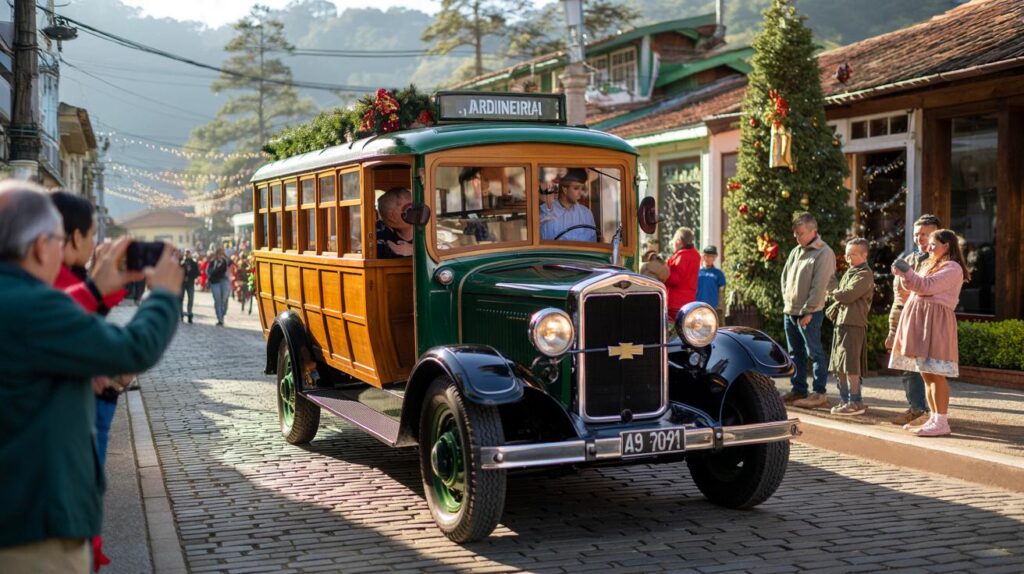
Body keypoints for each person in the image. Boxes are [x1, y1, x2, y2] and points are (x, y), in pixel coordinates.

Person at [0, 180, 181, 573]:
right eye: (57, 240)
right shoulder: (34, 305)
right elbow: (132, 349)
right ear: (40, 246)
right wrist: (163, 296)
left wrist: (95, 292)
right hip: (32, 530)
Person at [889, 229, 969, 437]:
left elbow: (926, 286)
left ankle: (941, 421)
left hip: (935, 323)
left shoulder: (953, 268)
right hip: (923, 321)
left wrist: (907, 271)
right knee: (926, 373)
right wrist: (904, 274)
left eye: (934, 244)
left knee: (936, 374)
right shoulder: (930, 264)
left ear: (946, 246)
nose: (929, 247)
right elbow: (912, 287)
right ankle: (934, 419)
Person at [886, 214, 941, 426]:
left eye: (925, 234)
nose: (920, 238)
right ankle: (916, 408)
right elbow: (898, 297)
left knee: (929, 368)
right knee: (907, 365)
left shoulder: (942, 262)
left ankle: (933, 414)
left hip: (928, 320)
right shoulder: (907, 260)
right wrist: (892, 329)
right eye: (917, 234)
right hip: (905, 318)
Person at [811, 238, 874, 414]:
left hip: (854, 324)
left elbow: (847, 295)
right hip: (842, 322)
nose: (848, 258)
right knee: (839, 364)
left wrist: (833, 291)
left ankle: (855, 402)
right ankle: (845, 400)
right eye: (847, 254)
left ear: (865, 255)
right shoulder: (851, 272)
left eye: (853, 254)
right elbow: (842, 293)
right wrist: (836, 291)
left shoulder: (864, 274)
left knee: (851, 364)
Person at [780, 212, 836, 407]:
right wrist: (787, 302)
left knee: (814, 353)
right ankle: (798, 389)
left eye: (800, 233)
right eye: (795, 233)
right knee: (795, 353)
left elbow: (820, 285)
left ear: (813, 231)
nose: (796, 237)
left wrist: (809, 310)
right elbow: (785, 278)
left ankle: (819, 392)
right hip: (791, 311)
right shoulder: (796, 251)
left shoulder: (824, 252)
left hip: (810, 313)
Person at [540, 168, 597, 242]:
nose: (580, 193)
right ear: (565, 189)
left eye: (582, 188)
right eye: (576, 188)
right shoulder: (546, 211)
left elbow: (592, 242)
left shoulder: (586, 214)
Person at [665, 227, 700, 320]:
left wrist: (662, 275)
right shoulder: (695, 255)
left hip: (675, 303)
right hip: (688, 301)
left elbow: (674, 280)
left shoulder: (682, 256)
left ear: (679, 241)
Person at [376, 187, 414, 258]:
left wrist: (414, 250)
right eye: (410, 208)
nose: (418, 211)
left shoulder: (430, 232)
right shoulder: (379, 234)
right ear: (393, 216)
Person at [695, 245, 727, 320]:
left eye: (711, 256)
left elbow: (722, 292)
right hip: (698, 307)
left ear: (715, 258)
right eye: (706, 256)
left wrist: (721, 308)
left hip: (712, 307)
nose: (708, 258)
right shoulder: (697, 272)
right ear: (703, 257)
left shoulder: (718, 273)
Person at [207, 247, 231, 326]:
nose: (220, 255)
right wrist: (216, 267)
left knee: (224, 299)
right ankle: (220, 318)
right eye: (219, 254)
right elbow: (209, 272)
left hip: (224, 281)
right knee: (217, 300)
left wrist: (224, 260)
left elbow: (231, 263)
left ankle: (222, 313)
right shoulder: (213, 262)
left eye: (222, 254)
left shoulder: (226, 261)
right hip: (215, 282)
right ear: (216, 254)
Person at [180, 249, 200, 323]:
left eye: (188, 253)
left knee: (190, 299)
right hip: (182, 283)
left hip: (190, 283)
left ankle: (189, 314)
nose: (187, 255)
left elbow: (197, 273)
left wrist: (191, 276)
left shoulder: (194, 263)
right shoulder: (181, 263)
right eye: (186, 254)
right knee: (181, 299)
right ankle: (181, 314)